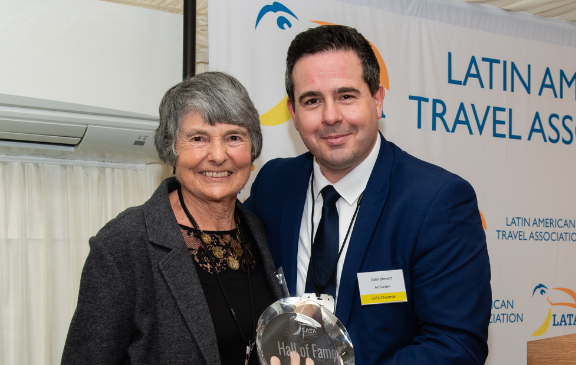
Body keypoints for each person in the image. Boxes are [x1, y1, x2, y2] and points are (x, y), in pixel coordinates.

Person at [245, 25, 492, 364]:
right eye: (312, 100)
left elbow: (455, 344)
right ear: (293, 113)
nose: (331, 116)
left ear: (377, 100)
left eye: (346, 96)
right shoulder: (273, 184)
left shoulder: (437, 201)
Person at [62, 72, 286, 365]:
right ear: (171, 149)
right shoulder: (124, 245)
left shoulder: (258, 230)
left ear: (252, 148)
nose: (218, 155)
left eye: (233, 137)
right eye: (198, 138)